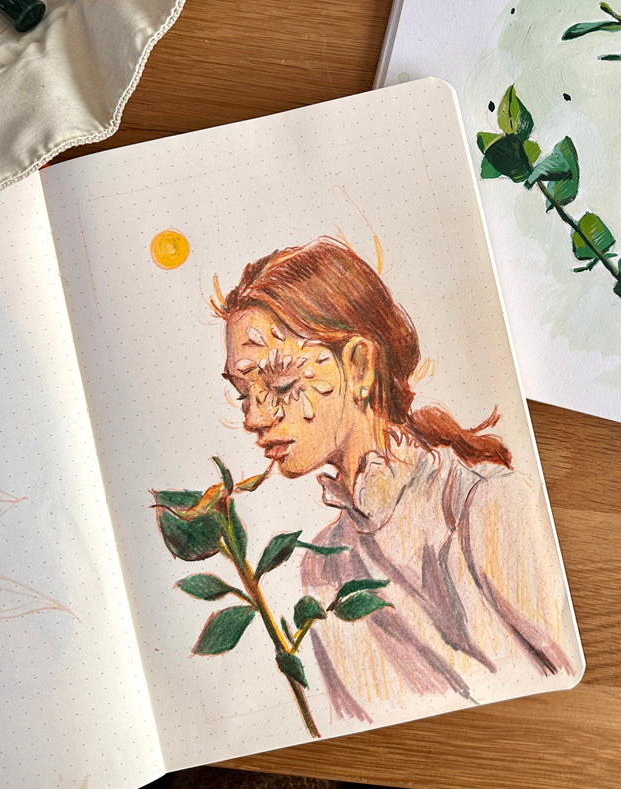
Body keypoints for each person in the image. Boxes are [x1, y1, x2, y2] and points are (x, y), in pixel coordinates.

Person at [214, 239, 575, 725]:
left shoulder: (483, 503)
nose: (255, 418)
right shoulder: (321, 577)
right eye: (243, 394)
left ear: (359, 365)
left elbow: (566, 689)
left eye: (279, 384)